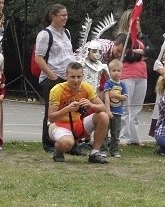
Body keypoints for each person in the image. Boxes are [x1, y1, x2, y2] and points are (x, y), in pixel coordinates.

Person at [47, 61, 110, 164]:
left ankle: (94, 153)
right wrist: (67, 109)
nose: (76, 81)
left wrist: (91, 105)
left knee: (103, 116)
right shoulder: (57, 90)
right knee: (67, 143)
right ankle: (58, 148)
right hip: (59, 125)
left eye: (79, 77)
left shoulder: (86, 87)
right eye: (72, 77)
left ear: (82, 76)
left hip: (77, 124)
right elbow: (51, 118)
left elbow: (103, 108)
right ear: (66, 75)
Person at [34, 4, 73, 153]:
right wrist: (52, 76)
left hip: (67, 78)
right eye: (62, 15)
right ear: (53, 16)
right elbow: (39, 58)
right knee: (51, 112)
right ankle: (49, 144)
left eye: (66, 15)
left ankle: (66, 141)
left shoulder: (67, 33)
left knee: (67, 112)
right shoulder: (45, 34)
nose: (65, 18)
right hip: (52, 78)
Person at [115, 9, 157, 147]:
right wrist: (141, 54)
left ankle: (134, 136)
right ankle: (123, 136)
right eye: (134, 20)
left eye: (138, 20)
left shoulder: (143, 38)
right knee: (126, 106)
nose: (137, 22)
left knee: (137, 108)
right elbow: (127, 56)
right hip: (127, 75)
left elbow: (154, 51)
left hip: (142, 76)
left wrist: (142, 52)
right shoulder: (122, 38)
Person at [103, 58, 127, 158]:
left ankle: (114, 151)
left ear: (122, 72)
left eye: (118, 71)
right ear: (110, 71)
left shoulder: (122, 84)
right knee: (104, 132)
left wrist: (116, 96)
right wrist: (108, 111)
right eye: (113, 71)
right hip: (109, 112)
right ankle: (103, 150)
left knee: (116, 133)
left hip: (118, 112)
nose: (116, 73)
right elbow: (106, 98)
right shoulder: (108, 83)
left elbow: (125, 97)